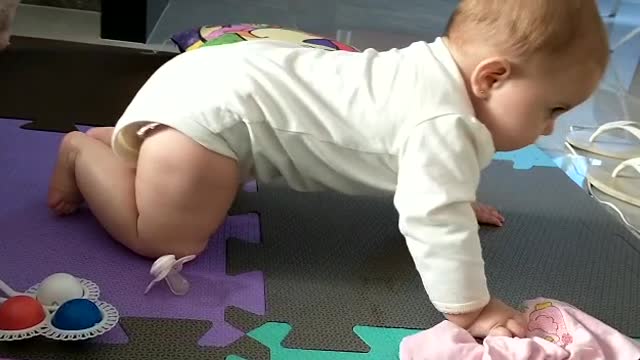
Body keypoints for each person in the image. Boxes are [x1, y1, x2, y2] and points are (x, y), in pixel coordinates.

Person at [47, 0, 609, 340]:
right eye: (552, 108)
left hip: (221, 77)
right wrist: (474, 308)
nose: (550, 130)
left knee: (197, 182)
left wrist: (456, 196)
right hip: (212, 118)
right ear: (490, 78)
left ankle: (133, 142)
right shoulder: (448, 124)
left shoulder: (426, 72)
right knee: (167, 236)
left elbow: (430, 178)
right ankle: (85, 153)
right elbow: (431, 217)